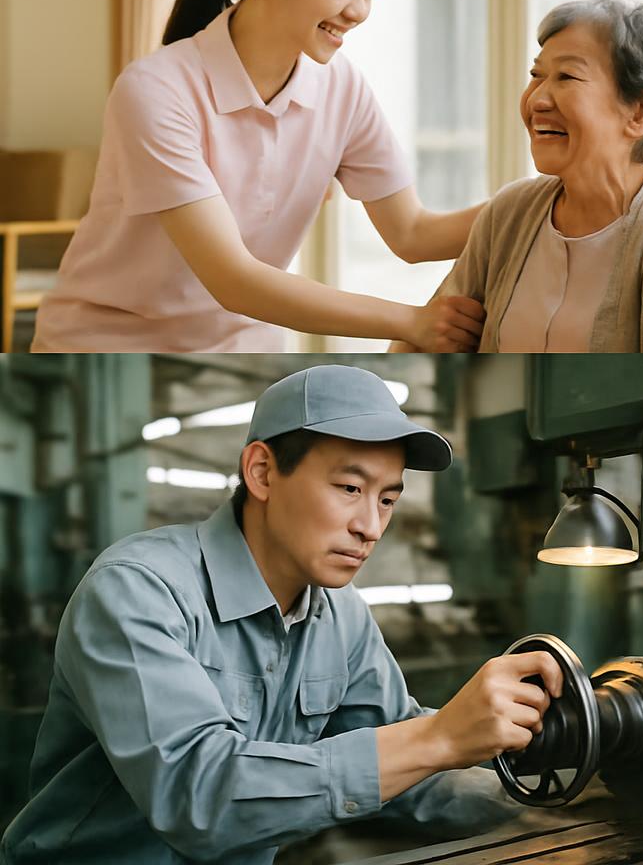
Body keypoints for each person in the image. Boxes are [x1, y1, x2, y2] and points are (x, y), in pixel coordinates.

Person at [0, 365, 561, 864]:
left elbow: (406, 772)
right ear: (263, 472)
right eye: (349, 487)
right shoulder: (138, 591)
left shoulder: (341, 617)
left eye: (387, 499)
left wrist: (556, 795)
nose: (371, 525)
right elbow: (198, 798)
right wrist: (438, 737)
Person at [32, 0, 487, 353]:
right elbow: (234, 280)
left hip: (243, 351)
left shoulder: (342, 86)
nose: (359, 10)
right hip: (108, 351)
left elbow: (413, 233)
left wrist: (541, 200)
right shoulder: (156, 89)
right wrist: (410, 322)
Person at [406, 0, 643, 352]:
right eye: (536, 75)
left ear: (642, 113)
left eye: (567, 76)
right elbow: (427, 339)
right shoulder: (510, 211)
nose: (537, 100)